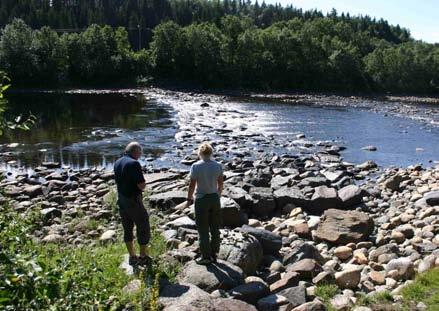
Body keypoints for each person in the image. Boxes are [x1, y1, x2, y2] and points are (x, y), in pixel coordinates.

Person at [114, 142, 151, 266]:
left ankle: (132, 256)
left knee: (127, 227)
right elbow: (141, 184)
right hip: (132, 199)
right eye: (140, 152)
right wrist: (144, 186)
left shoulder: (118, 162)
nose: (140, 155)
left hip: (122, 199)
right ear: (135, 151)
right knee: (143, 224)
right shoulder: (134, 163)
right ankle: (143, 256)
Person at [187, 142, 224, 265]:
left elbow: (192, 184)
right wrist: (218, 194)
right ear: (211, 153)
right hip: (214, 197)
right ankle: (214, 253)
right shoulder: (218, 165)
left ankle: (206, 256)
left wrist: (189, 198)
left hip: (201, 198)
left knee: (202, 228)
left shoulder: (196, 166)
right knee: (215, 226)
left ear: (200, 153)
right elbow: (220, 183)